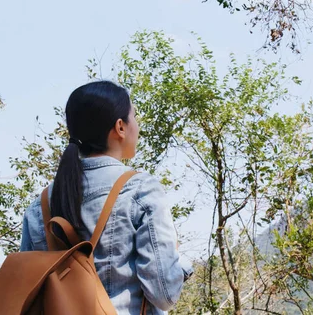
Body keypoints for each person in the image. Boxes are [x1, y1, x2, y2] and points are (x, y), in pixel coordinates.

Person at [19, 80, 193, 314]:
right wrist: (181, 264)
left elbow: (28, 293)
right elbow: (164, 294)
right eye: (134, 117)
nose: (137, 126)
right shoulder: (140, 189)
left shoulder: (40, 205)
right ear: (120, 127)